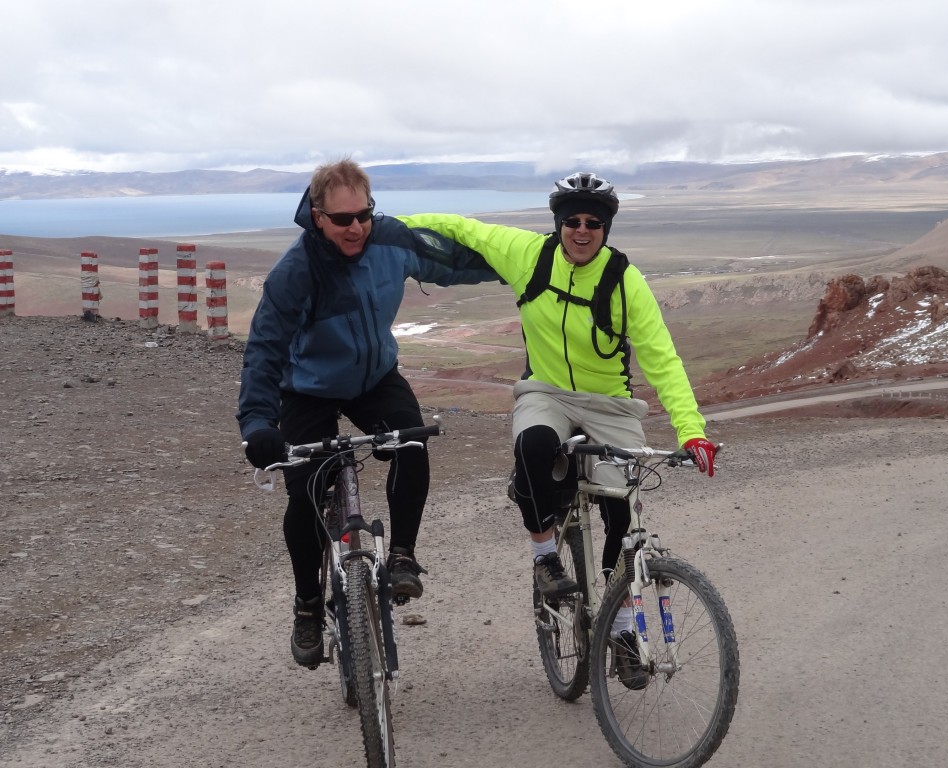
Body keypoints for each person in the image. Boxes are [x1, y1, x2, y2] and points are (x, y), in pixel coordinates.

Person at [400, 172, 717, 689]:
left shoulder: (625, 281)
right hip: (545, 391)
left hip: (610, 403)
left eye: (593, 222)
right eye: (572, 221)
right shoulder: (528, 255)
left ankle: (621, 630)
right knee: (534, 444)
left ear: (606, 228)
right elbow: (462, 228)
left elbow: (663, 359)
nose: (582, 230)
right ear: (558, 224)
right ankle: (545, 556)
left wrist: (692, 431)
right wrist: (384, 225)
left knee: (621, 514)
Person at [237, 158, 498, 667]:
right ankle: (308, 605)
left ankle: (402, 556)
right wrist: (257, 425)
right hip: (308, 390)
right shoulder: (295, 273)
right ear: (318, 217)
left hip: (374, 379)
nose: (356, 227)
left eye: (364, 214)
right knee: (306, 491)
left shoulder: (389, 239)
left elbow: (454, 262)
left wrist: (528, 262)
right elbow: (264, 352)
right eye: (342, 219)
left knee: (411, 441)